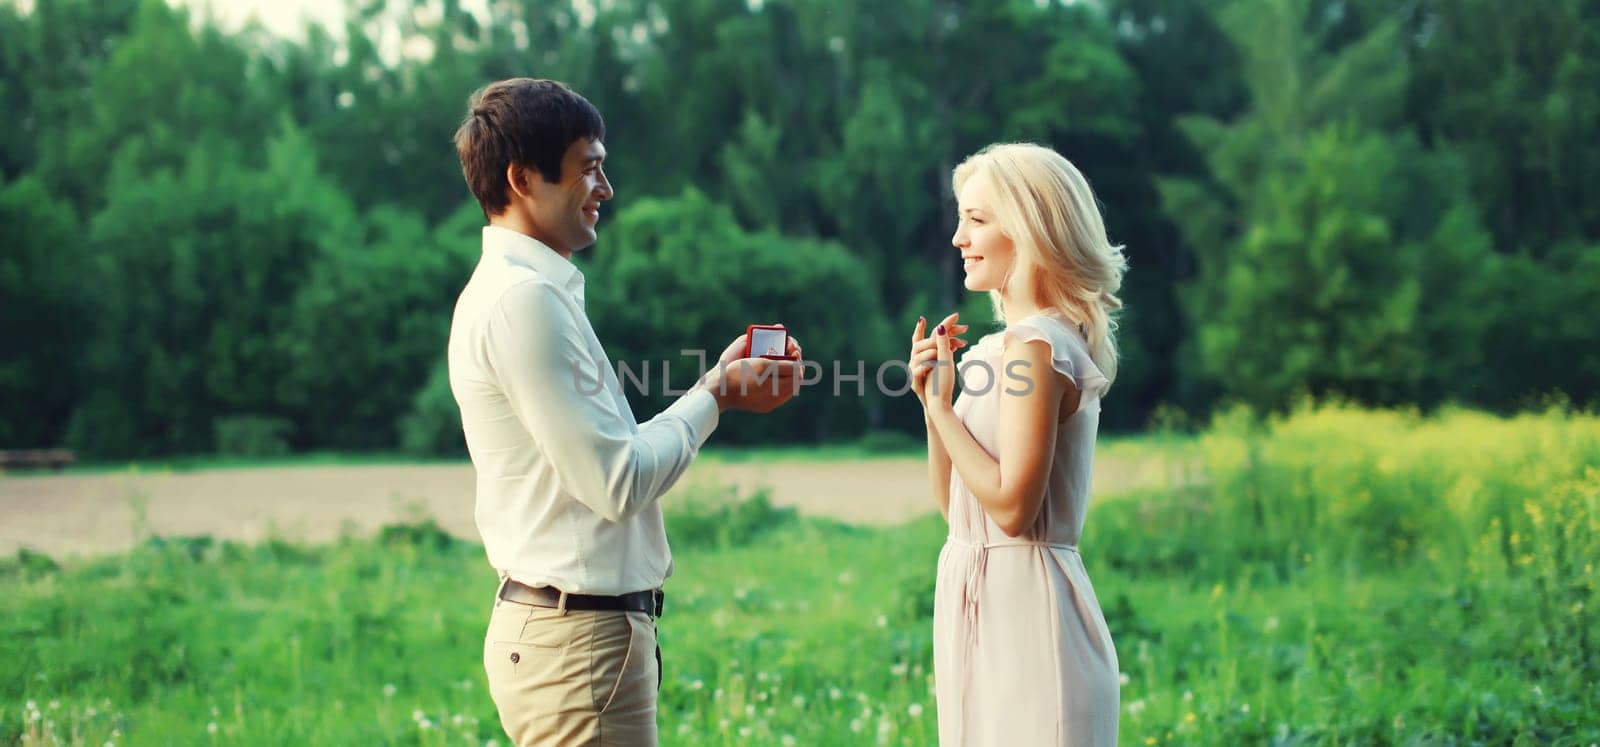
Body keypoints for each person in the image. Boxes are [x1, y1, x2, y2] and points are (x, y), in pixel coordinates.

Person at [447, 78, 802, 747]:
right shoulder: (524, 303)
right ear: (523, 179)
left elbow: (601, 463)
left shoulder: (523, 294)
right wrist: (717, 394)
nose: (606, 188)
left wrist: (714, 385)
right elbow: (618, 481)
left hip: (573, 638)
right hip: (578, 644)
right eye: (590, 168)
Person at [910, 142, 1126, 746]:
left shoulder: (1038, 346)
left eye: (977, 219)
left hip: (1031, 622)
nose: (958, 238)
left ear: (1032, 230)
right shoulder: (993, 351)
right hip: (978, 610)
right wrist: (937, 407)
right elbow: (957, 509)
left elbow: (1011, 510)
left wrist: (938, 410)